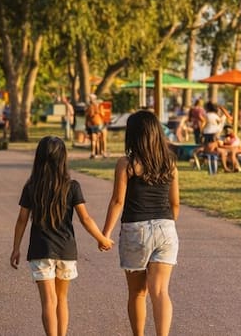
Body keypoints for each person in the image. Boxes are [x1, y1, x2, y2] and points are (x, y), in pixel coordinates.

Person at [10, 137, 112, 336]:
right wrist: (101, 238)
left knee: (49, 301)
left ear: (39, 159)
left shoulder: (31, 186)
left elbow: (22, 219)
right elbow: (86, 218)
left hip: (40, 250)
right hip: (66, 250)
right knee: (62, 299)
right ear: (63, 159)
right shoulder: (71, 186)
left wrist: (16, 248)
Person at [101, 111, 180, 336]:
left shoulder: (127, 164)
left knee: (137, 292)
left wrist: (105, 233)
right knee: (160, 291)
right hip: (166, 228)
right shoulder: (170, 164)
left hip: (136, 229)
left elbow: (118, 201)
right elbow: (175, 204)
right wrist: (166, 226)